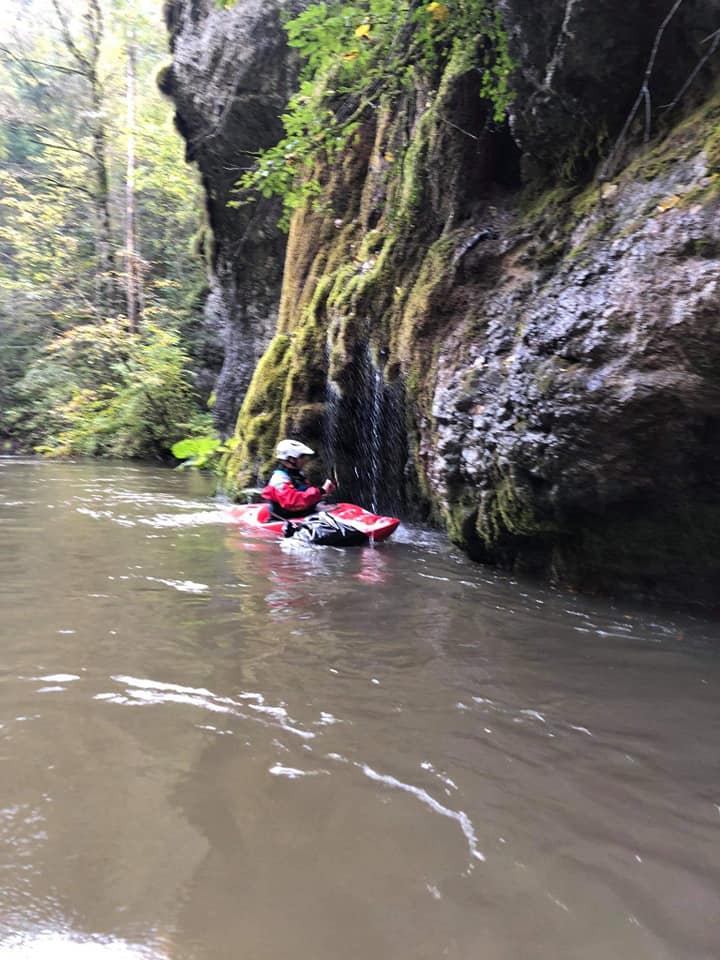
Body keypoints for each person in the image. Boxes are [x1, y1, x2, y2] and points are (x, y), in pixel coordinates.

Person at [261, 439, 336, 520]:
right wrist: (321, 491)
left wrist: (321, 494)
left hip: (301, 516)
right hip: (285, 521)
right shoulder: (279, 479)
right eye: (302, 456)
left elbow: (304, 496)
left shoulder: (297, 475)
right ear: (291, 459)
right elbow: (293, 502)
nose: (306, 459)